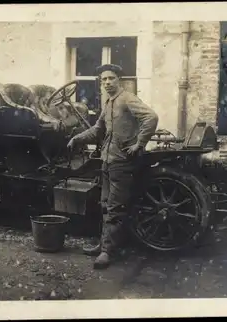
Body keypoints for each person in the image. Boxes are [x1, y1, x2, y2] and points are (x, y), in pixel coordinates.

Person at [67, 64, 159, 269]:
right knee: (105, 204)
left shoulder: (127, 98)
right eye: (103, 80)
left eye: (111, 78)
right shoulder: (108, 103)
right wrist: (77, 139)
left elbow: (151, 118)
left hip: (122, 162)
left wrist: (139, 144)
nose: (107, 82)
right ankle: (104, 244)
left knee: (115, 207)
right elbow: (98, 129)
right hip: (108, 161)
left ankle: (107, 252)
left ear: (119, 80)